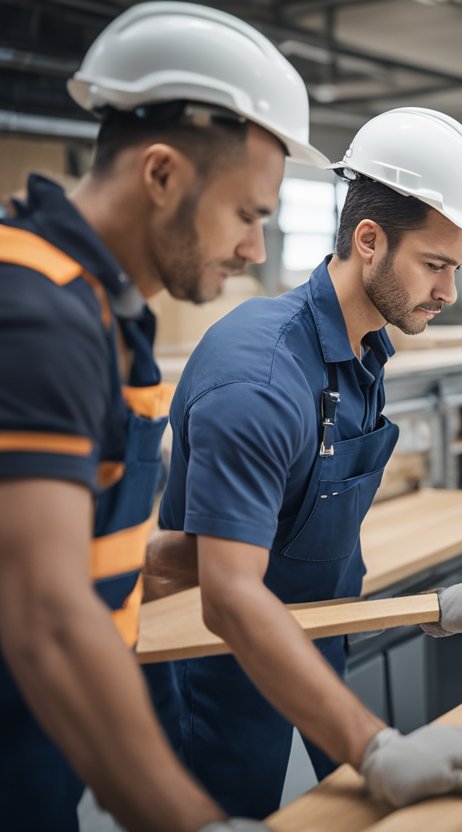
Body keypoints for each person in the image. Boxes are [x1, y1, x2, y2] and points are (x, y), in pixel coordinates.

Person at [143, 107, 462, 819]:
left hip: (318, 638)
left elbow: (309, 540)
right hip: (218, 665)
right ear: (368, 241)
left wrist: (423, 609)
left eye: (454, 269)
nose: (448, 292)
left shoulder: (362, 352)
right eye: (436, 265)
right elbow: (229, 594)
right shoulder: (260, 381)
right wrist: (376, 746)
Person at [0, 2, 328, 829]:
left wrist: (228, 548)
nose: (257, 251)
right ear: (161, 175)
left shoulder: (103, 313)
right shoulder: (38, 315)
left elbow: (78, 549)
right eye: (249, 214)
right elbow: (44, 615)